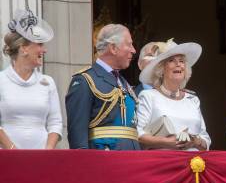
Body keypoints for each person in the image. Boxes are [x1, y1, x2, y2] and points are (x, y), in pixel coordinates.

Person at [65, 24, 140, 150]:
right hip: (104, 160)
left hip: (131, 158)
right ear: (113, 48)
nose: (133, 50)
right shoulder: (85, 80)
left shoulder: (123, 82)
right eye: (129, 44)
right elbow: (77, 134)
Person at [0, 8, 62, 149]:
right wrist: (12, 150)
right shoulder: (1, 81)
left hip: (41, 160)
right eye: (39, 44)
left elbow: (55, 123)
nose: (44, 50)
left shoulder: (48, 82)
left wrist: (47, 152)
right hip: (6, 158)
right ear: (24, 49)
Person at [136, 39, 211, 151]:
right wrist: (167, 142)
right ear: (161, 69)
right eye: (171, 60)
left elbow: (206, 140)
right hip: (162, 163)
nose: (178, 64)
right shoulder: (148, 96)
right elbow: (138, 135)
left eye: (181, 61)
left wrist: (194, 141)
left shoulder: (193, 99)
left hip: (194, 164)